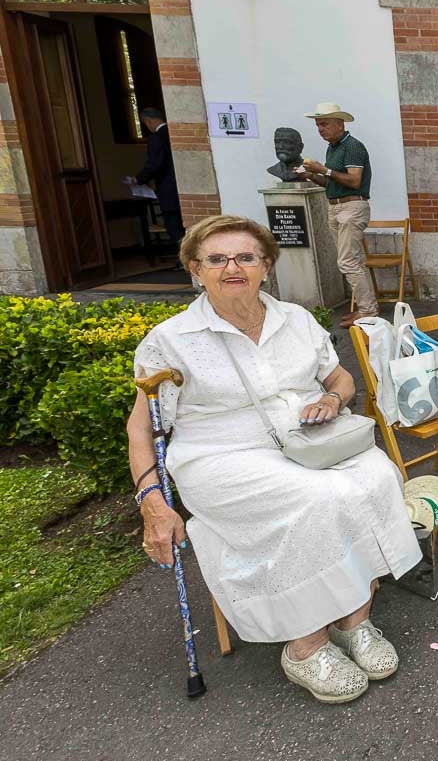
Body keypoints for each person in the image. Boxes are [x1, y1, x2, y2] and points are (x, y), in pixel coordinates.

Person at [127, 215, 421, 704]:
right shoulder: (172, 340)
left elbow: (341, 379)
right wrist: (152, 501)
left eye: (245, 257)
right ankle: (305, 644)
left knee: (377, 475)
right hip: (221, 455)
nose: (232, 268)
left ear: (266, 266)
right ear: (196, 271)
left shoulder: (296, 319)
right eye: (216, 259)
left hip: (305, 438)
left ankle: (354, 617)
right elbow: (142, 427)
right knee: (316, 499)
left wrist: (333, 401)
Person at [296, 102, 376, 327]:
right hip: (337, 205)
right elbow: (330, 182)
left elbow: (353, 180)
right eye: (317, 125)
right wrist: (311, 176)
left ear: (339, 124)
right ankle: (365, 307)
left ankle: (368, 310)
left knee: (348, 261)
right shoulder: (333, 148)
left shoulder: (352, 147)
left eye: (324, 124)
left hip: (351, 207)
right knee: (353, 260)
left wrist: (324, 170)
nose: (320, 129)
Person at [131, 107, 184, 247]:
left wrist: (139, 179)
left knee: (174, 225)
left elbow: (155, 163)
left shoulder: (157, 137)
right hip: (185, 185)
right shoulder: (177, 133)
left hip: (169, 188)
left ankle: (183, 261)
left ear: (148, 121)